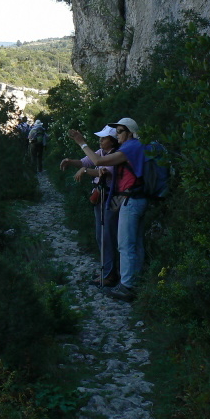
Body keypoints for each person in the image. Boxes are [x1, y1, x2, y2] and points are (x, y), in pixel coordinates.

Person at [68, 117, 147, 303]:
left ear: (129, 132)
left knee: (125, 244)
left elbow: (97, 160)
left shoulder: (130, 147)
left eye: (119, 131)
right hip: (137, 197)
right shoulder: (135, 147)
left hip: (131, 198)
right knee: (136, 243)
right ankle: (138, 282)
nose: (117, 135)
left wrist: (81, 142)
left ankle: (127, 286)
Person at [60, 125, 120, 287]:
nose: (100, 141)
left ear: (112, 141)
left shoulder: (115, 157)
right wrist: (70, 162)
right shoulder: (102, 153)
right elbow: (84, 161)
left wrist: (85, 171)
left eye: (104, 138)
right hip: (101, 198)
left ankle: (109, 275)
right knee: (101, 236)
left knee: (106, 236)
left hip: (108, 199)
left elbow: (104, 172)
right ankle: (107, 271)